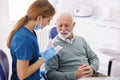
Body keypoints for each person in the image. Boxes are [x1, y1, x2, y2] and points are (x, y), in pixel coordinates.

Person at [6, 0, 62, 80]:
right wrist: (44, 58)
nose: (49, 24)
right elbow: (22, 75)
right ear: (39, 18)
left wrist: (40, 54)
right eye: (48, 20)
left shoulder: (29, 31)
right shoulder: (24, 39)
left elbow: (27, 53)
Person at [45, 12, 100, 80]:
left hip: (90, 77)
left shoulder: (81, 40)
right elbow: (50, 75)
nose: (63, 29)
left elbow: (94, 58)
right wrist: (75, 75)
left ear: (73, 25)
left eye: (67, 25)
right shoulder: (53, 46)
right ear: (56, 25)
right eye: (60, 25)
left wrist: (92, 69)